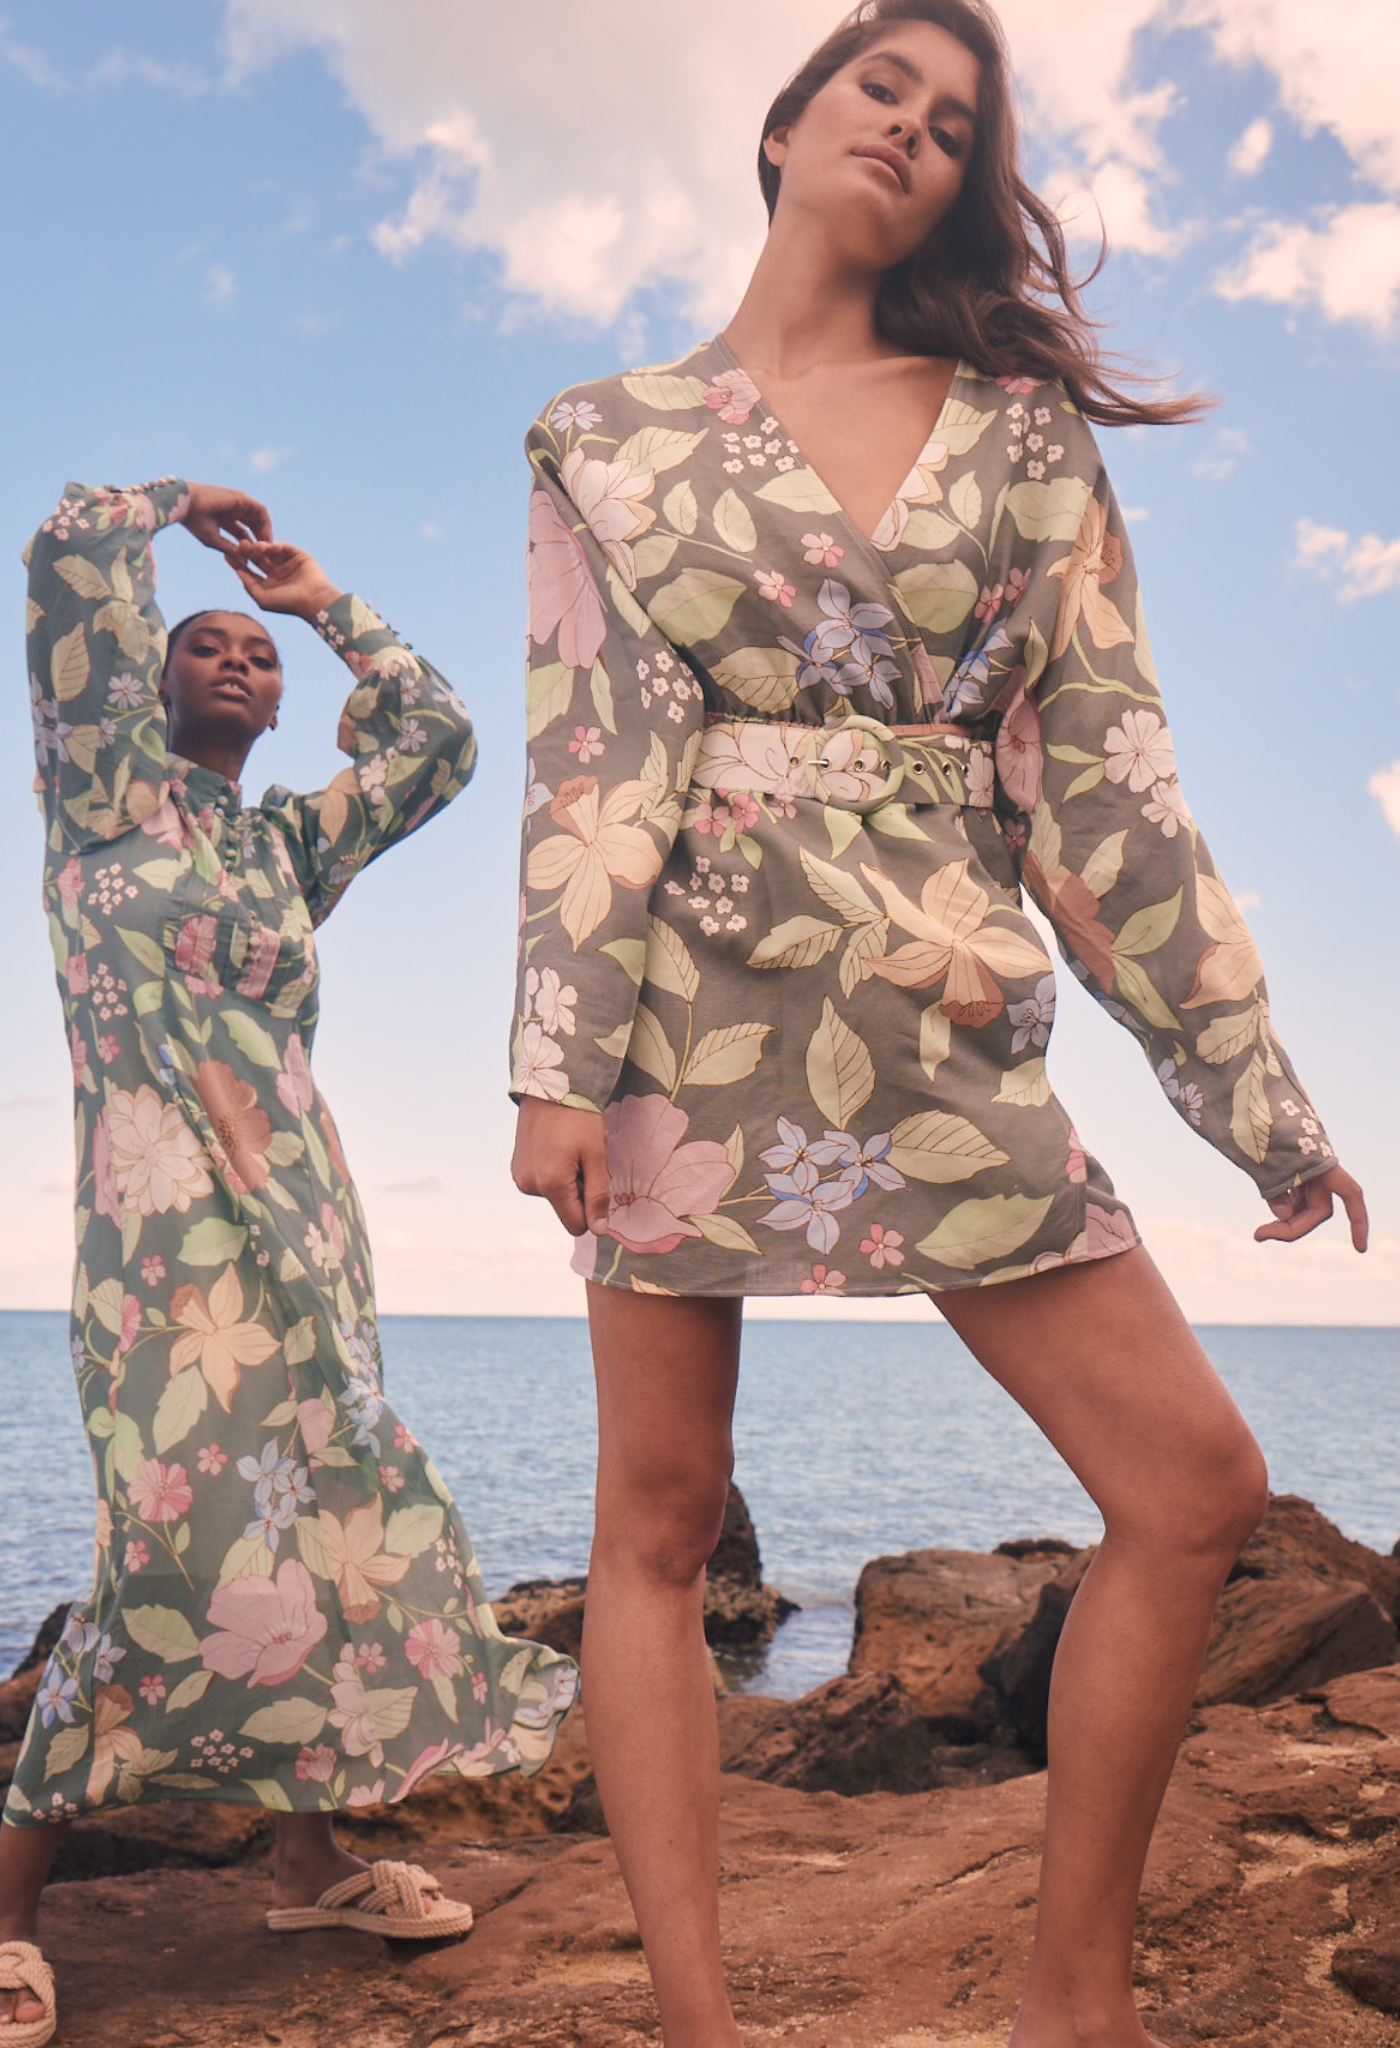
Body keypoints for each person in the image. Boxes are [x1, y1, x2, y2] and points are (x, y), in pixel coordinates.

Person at [508, 2, 1369, 2043]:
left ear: (963, 186)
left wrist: (1252, 1096)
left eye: (954, 119)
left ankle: (1075, 2002)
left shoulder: (1015, 437)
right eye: (878, 86)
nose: (909, 124)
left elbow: (1106, 788)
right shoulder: (603, 434)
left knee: (1192, 1483)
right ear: (790, 122)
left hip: (944, 1007)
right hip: (685, 1024)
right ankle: (700, 2019)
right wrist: (553, 1057)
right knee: (649, 1522)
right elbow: (592, 760)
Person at [2, 478, 577, 2045]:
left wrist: (330, 606)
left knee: (330, 1518)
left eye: (260, 654)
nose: (239, 661)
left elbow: (441, 743)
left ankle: (309, 1864)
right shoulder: (99, 793)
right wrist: (177, 510)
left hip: (309, 1224)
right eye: (207, 645)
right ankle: (10, 1917)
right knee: (165, 1542)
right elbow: (64, 556)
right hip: (157, 1235)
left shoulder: (284, 854)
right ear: (148, 679)